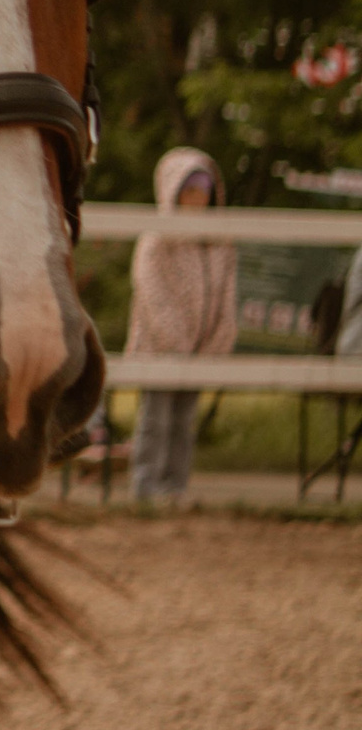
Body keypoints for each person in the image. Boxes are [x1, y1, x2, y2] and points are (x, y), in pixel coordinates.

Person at [128, 146, 237, 500]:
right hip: (161, 349)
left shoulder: (219, 242)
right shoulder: (157, 240)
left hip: (200, 351)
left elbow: (226, 294)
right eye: (189, 190)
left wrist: (217, 341)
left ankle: (175, 487)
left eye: (203, 191)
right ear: (173, 191)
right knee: (156, 421)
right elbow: (152, 293)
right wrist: (176, 342)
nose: (197, 198)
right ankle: (146, 487)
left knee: (183, 423)